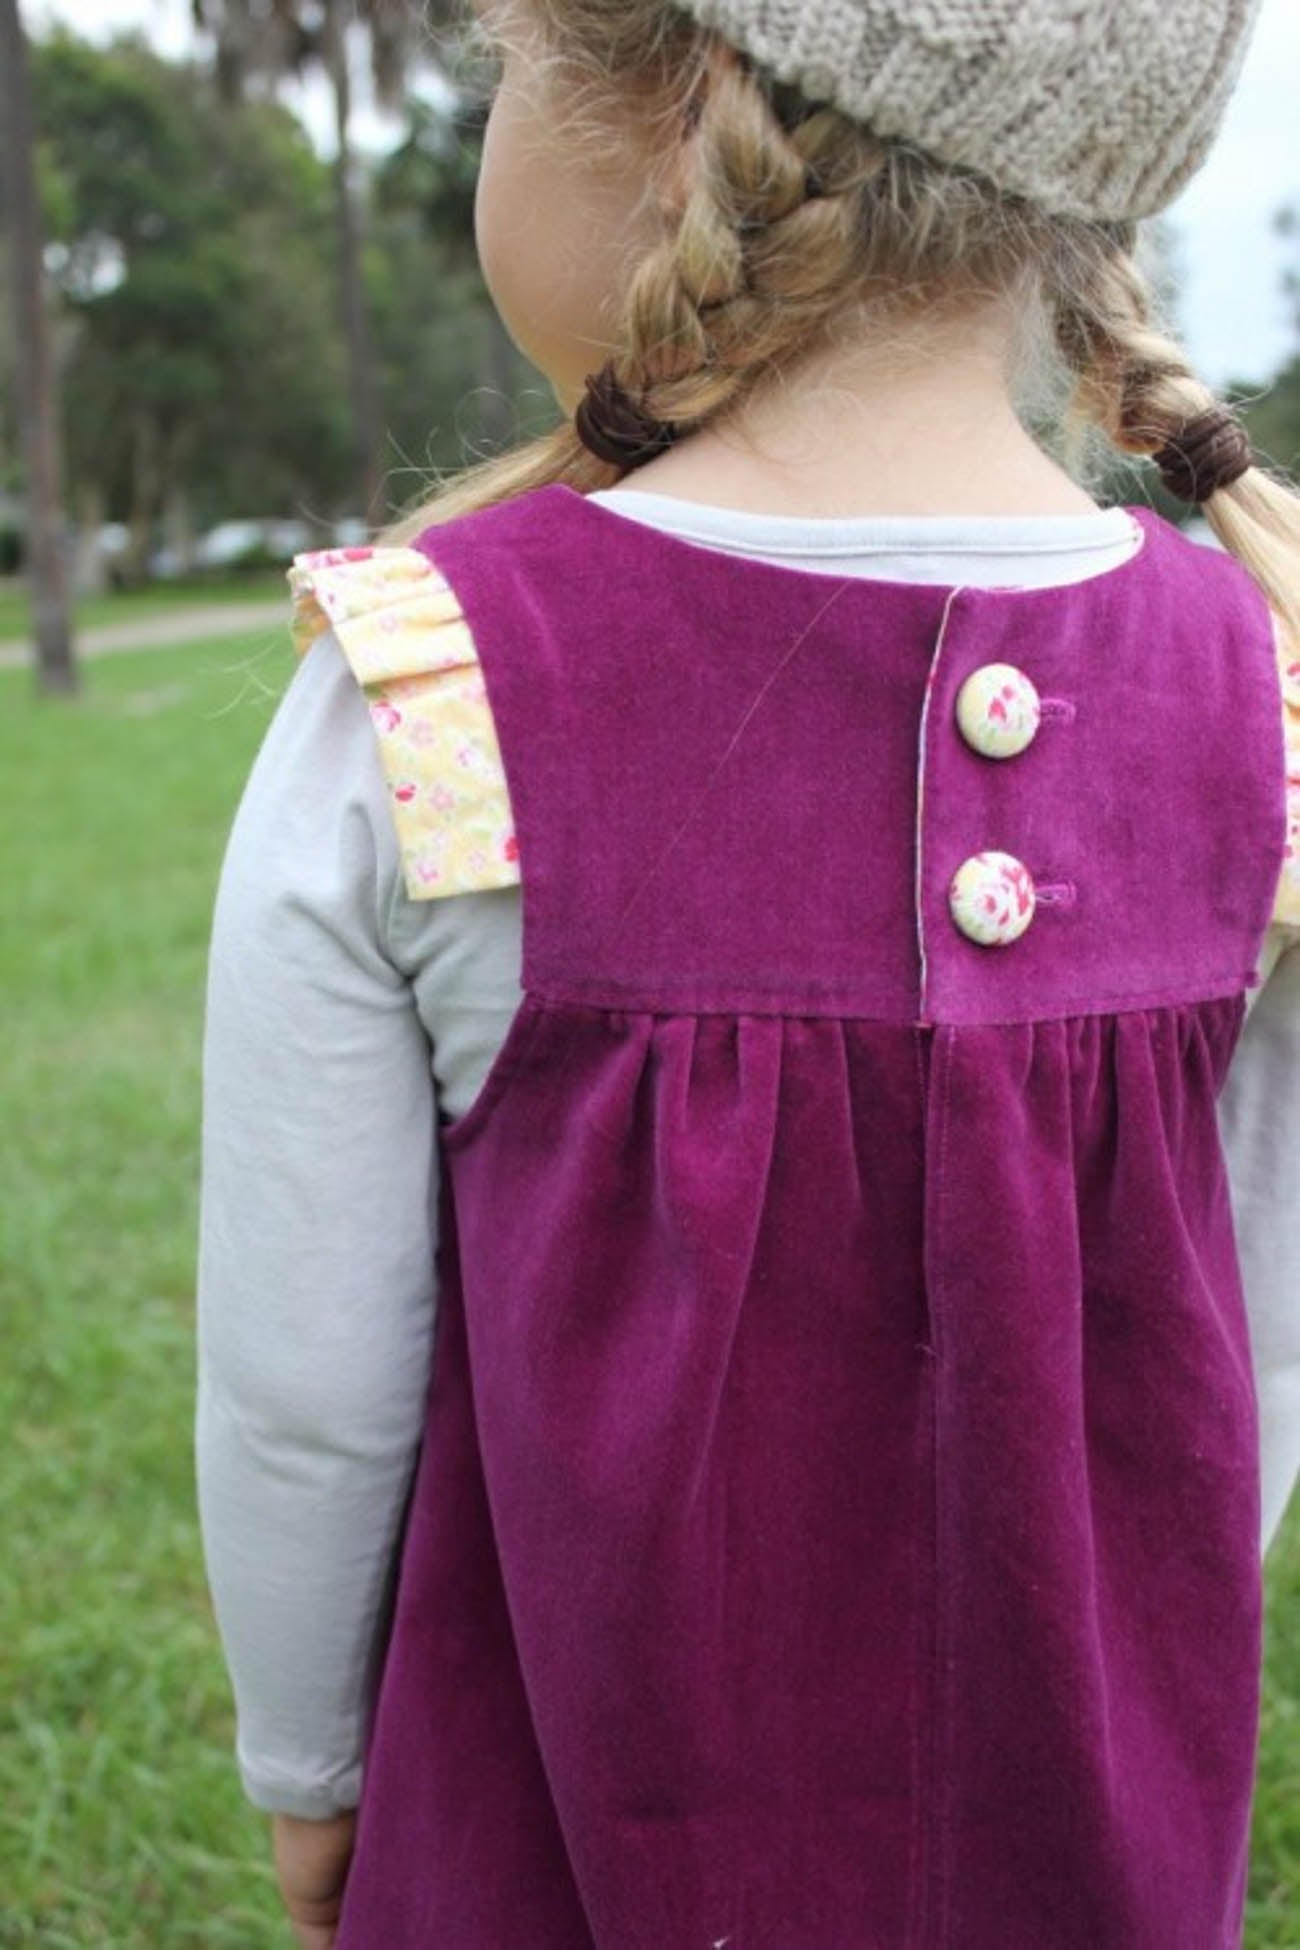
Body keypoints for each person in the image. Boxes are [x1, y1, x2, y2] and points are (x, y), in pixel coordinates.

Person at [194, 0, 1300, 1943]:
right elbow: (1253, 1343)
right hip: (1086, 1847)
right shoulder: (1258, 697)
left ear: (681, 110)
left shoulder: (430, 690)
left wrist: (314, 1766)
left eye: (505, 64)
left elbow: (306, 1382)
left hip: (549, 1838)